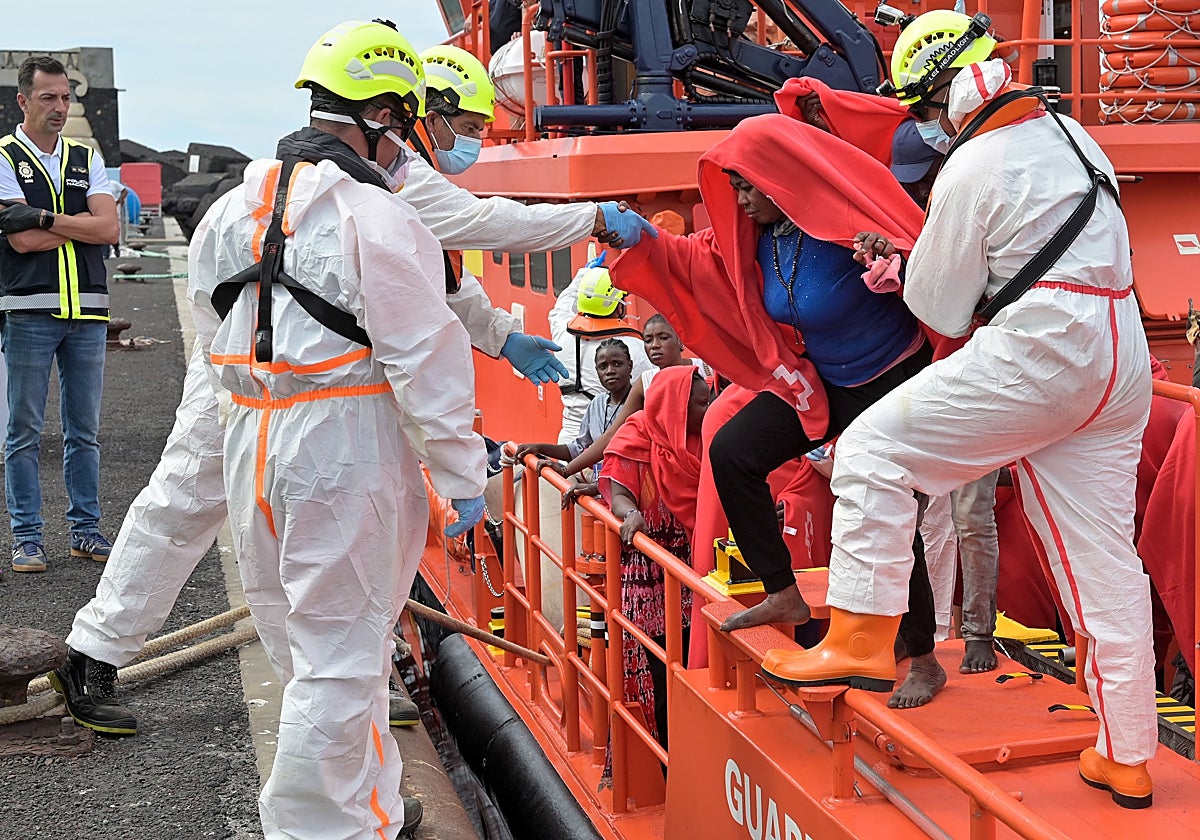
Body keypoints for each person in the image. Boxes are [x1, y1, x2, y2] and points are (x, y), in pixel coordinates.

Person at [55, 33, 656, 737]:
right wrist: (593, 217)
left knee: (206, 513)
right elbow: (477, 232)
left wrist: (497, 334)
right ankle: (119, 656)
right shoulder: (392, 180)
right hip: (285, 387)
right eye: (464, 129)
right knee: (253, 529)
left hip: (248, 368)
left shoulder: (291, 181)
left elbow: (434, 274)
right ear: (407, 113)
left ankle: (110, 653)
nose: (469, 144)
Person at [762, 11, 1157, 809]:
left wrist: (899, 268)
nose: (929, 125)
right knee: (1105, 562)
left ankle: (862, 639)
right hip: (1122, 358)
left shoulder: (973, 166)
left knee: (871, 451)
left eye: (924, 107)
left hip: (1045, 354)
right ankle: (1126, 753)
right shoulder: (1078, 138)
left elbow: (941, 309)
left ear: (946, 93)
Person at [183, 21, 492, 839]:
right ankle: (321, 828)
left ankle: (367, 809)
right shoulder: (378, 219)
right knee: (345, 658)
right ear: (385, 112)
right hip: (340, 448)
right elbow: (426, 358)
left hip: (253, 437)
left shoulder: (229, 208)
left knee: (304, 654)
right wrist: (464, 475)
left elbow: (212, 325)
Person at [610, 113, 943, 705]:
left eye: (747, 185)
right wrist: (642, 236)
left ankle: (920, 657)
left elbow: (926, 254)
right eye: (733, 186)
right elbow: (695, 261)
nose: (738, 199)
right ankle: (782, 589)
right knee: (733, 451)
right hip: (828, 385)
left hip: (897, 382)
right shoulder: (754, 237)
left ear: (781, 178)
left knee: (890, 505)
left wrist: (893, 261)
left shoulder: (846, 219)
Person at [0, 56, 119, 574]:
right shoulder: (3, 157)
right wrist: (80, 222)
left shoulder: (84, 156)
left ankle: (85, 531)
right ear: (23, 100)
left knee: (84, 432)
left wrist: (47, 216)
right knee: (23, 430)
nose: (60, 107)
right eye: (48, 97)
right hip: (29, 312)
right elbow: (20, 241)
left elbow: (110, 230)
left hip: (89, 312)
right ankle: (26, 537)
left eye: (66, 97)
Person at [599, 366, 710, 770]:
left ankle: (696, 759)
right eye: (701, 402)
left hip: (694, 571)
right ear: (676, 405)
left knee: (696, 671)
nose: (709, 406)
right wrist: (631, 516)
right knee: (661, 674)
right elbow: (620, 489)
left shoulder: (706, 441)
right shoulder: (637, 435)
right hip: (648, 579)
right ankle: (672, 769)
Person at [546, 257, 652, 443]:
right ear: (618, 306)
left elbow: (560, 307)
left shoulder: (563, 334)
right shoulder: (633, 348)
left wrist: (584, 275)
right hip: (612, 448)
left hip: (568, 443)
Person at [515, 337, 636, 482]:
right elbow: (576, 449)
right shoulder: (597, 403)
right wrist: (539, 448)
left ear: (630, 366)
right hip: (600, 482)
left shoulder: (639, 403)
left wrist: (565, 470)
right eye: (603, 366)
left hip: (627, 486)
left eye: (617, 364)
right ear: (597, 371)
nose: (610, 371)